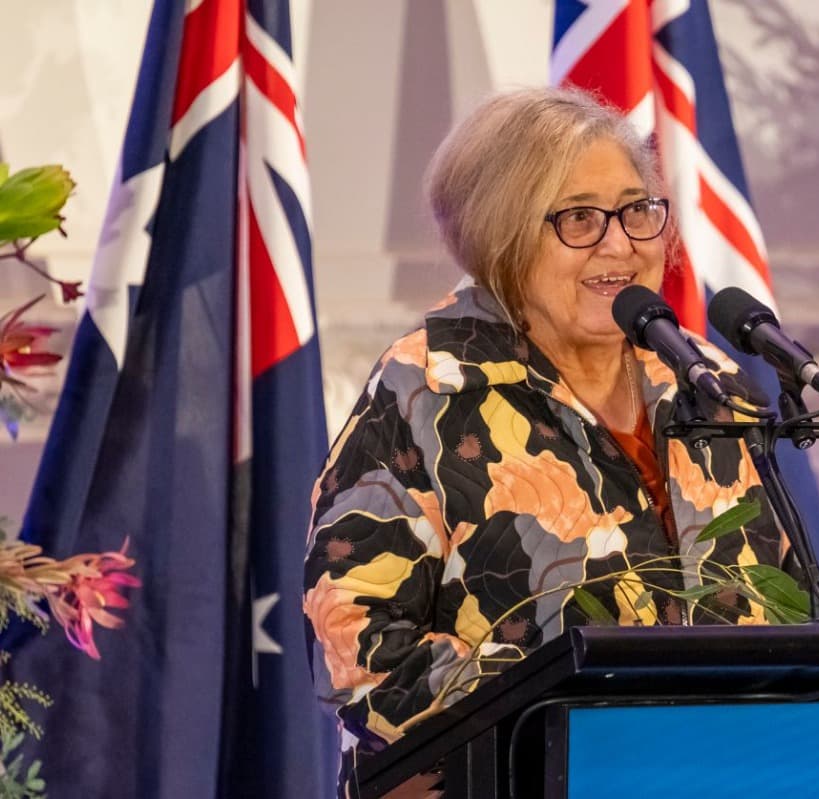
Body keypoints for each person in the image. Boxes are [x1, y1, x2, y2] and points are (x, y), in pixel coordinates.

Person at [302, 87, 790, 795]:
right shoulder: (430, 386)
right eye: (581, 219)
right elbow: (361, 641)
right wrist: (574, 724)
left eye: (637, 210)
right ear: (503, 236)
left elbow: (780, 604)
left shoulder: (705, 383)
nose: (620, 244)